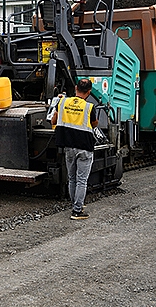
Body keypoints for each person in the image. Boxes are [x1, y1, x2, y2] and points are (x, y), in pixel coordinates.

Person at [51, 79, 98, 220]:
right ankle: (77, 211)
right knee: (82, 180)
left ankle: (75, 204)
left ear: (76, 88)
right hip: (84, 147)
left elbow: (53, 121)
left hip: (68, 146)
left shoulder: (63, 102)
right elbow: (94, 124)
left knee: (72, 178)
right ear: (89, 92)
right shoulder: (90, 107)